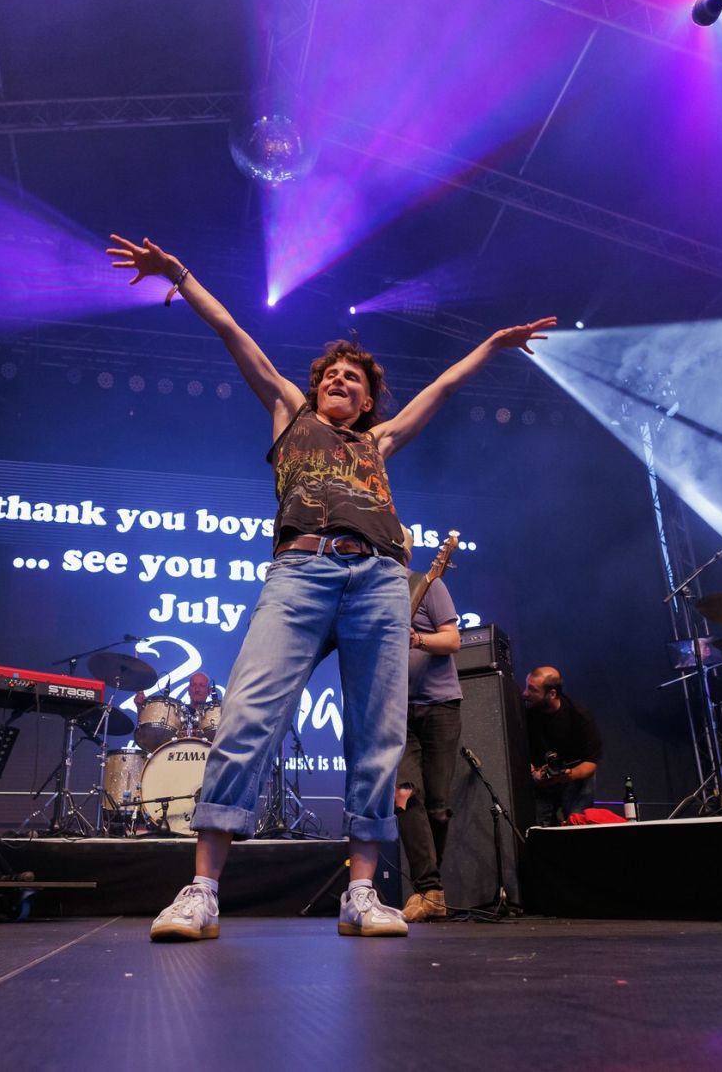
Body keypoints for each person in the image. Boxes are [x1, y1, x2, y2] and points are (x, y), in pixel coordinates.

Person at [108, 232, 553, 940]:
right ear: (316, 387)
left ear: (369, 398)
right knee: (247, 716)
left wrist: (492, 346)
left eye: (353, 378)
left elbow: (440, 388)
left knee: (377, 736)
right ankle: (201, 890)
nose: (339, 381)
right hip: (301, 571)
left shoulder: (377, 443)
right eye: (331, 375)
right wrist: (180, 274)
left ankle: (362, 893)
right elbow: (235, 335)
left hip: (378, 579)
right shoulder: (291, 414)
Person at [393, 527, 463, 923]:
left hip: (439, 705)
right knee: (404, 795)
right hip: (396, 709)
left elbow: (452, 641)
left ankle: (430, 892)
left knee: (438, 807)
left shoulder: (429, 584)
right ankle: (428, 889)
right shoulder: (376, 593)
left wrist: (417, 640)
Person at [522, 666, 602, 827]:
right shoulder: (524, 712)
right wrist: (534, 773)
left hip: (573, 777)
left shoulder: (579, 715)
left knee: (577, 825)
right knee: (538, 829)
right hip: (540, 780)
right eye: (526, 687)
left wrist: (566, 775)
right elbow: (515, 749)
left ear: (552, 694)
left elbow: (591, 762)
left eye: (533, 690)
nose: (525, 693)